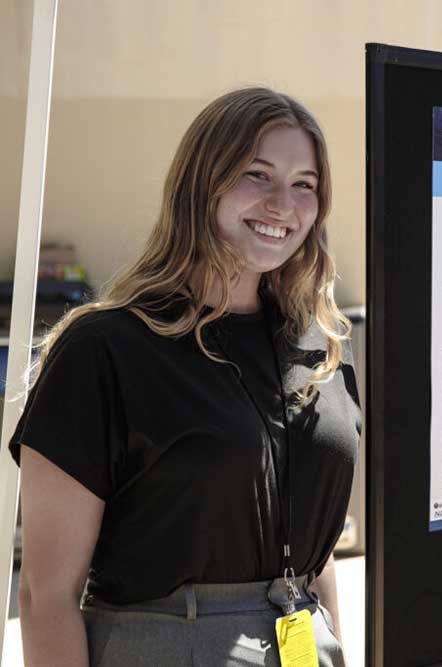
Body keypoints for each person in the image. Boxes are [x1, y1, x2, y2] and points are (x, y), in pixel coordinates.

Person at [9, 88, 358, 666]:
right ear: (202, 183)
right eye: (258, 175)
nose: (283, 204)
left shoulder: (321, 347)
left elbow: (316, 566)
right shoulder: (106, 350)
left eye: (305, 184)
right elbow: (46, 596)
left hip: (303, 644)